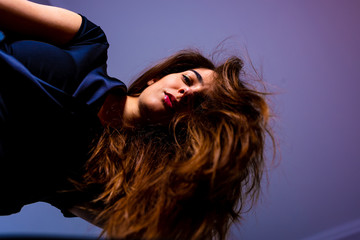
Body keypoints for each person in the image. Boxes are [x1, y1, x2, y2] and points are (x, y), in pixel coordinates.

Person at [0, 0, 275, 239]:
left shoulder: (106, 178)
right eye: (189, 79)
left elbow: (153, 229)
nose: (187, 93)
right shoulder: (89, 41)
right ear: (158, 77)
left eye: (201, 104)